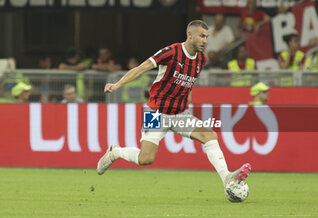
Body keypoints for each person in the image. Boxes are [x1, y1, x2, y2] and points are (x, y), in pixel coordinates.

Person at [96, 20, 251, 190]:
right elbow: (141, 69)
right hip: (155, 112)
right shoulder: (171, 52)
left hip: (179, 115)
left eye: (206, 37)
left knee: (210, 136)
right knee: (145, 159)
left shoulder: (201, 58)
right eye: (201, 36)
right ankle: (115, 152)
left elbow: (189, 84)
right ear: (190, 35)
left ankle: (227, 178)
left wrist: (187, 107)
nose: (205, 40)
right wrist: (117, 84)